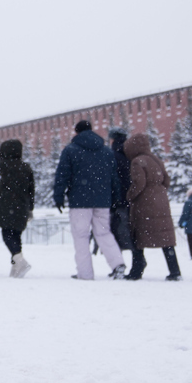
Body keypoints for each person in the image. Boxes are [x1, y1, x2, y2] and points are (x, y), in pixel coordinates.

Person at [52, 120, 127, 280]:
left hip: (79, 201)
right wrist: (115, 198)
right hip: (102, 201)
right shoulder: (106, 151)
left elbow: (62, 175)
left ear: (77, 132)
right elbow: (114, 178)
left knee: (81, 236)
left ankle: (85, 273)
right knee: (104, 232)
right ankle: (117, 264)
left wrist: (58, 196)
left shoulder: (70, 150)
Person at [123, 134, 182, 281]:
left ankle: (136, 271)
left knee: (138, 237)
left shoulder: (138, 161)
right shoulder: (156, 159)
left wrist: (129, 196)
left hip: (144, 204)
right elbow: (166, 180)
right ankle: (175, 271)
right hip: (161, 202)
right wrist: (158, 191)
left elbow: (139, 183)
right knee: (166, 239)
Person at [0, 139, 35, 278]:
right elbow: (31, 190)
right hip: (22, 206)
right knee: (16, 235)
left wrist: (4, 158)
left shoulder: (5, 166)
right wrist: (30, 208)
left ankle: (19, 261)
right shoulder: (26, 168)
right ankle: (16, 266)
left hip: (7, 206)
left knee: (7, 234)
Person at [108, 128, 135, 254]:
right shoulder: (131, 154)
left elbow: (112, 179)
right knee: (132, 231)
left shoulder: (112, 155)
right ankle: (137, 261)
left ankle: (118, 264)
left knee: (115, 232)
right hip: (131, 198)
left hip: (116, 200)